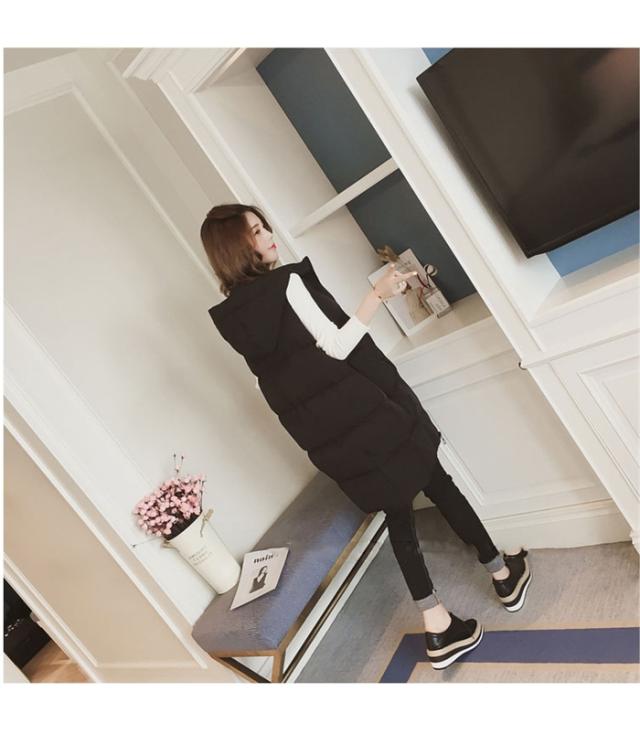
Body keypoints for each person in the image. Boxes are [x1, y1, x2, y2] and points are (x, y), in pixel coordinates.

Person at [201, 203, 532, 670]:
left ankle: (442, 618)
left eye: (264, 226)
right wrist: (377, 294)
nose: (269, 234)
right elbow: (336, 346)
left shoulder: (234, 319)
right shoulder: (286, 284)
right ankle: (499, 576)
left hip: (336, 435)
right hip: (369, 413)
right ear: (237, 248)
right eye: (255, 232)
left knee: (401, 511)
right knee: (438, 483)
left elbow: (276, 381)